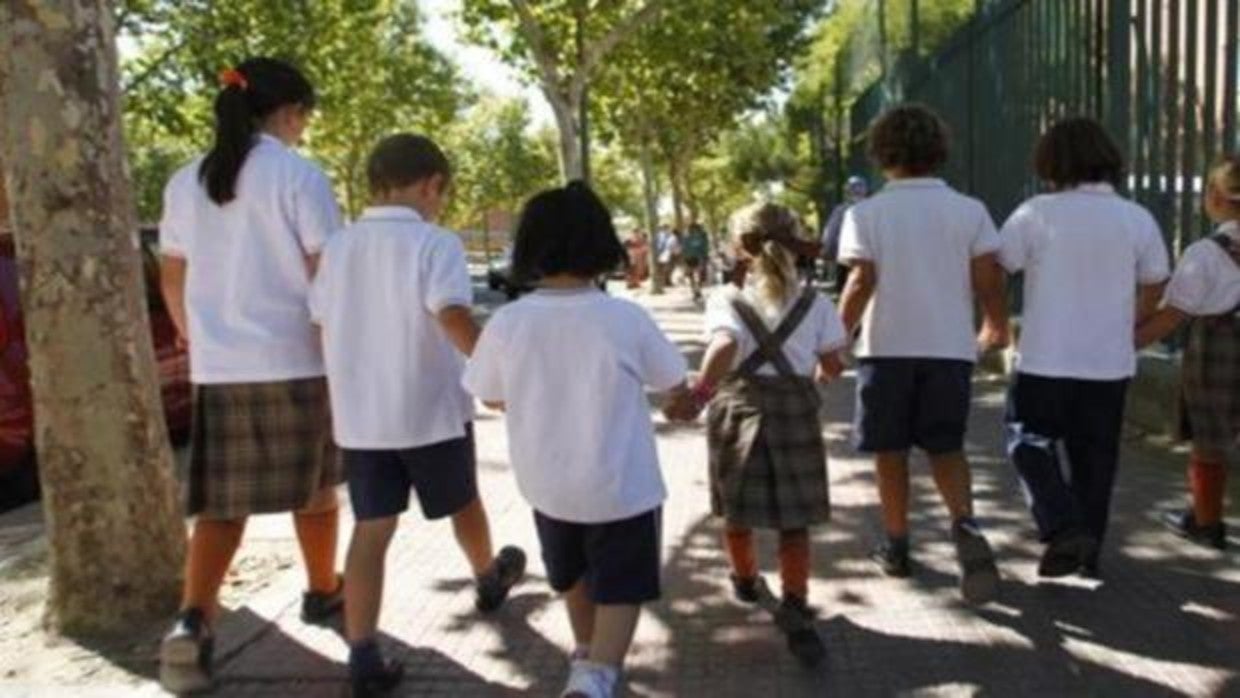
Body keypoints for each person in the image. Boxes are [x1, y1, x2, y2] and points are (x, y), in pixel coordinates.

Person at [309, 134, 527, 696]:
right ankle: (487, 577)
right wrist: (494, 372)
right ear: (431, 184)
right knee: (462, 502)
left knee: (372, 529)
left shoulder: (338, 247)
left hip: (362, 417)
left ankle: (362, 654)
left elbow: (319, 323)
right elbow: (451, 313)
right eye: (440, 192)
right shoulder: (436, 243)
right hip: (428, 409)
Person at [157, 58, 345, 693]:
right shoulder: (298, 176)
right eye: (304, 119)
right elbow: (328, 273)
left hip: (220, 367)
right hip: (297, 358)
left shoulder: (186, 182)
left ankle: (191, 620)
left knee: (220, 505)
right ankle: (323, 591)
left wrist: (193, 336)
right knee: (317, 488)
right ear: (289, 112)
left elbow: (172, 274)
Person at [463, 183, 688, 698]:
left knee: (572, 576)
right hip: (621, 485)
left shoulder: (509, 321)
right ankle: (595, 677)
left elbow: (490, 397)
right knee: (623, 586)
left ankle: (588, 659)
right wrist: (682, 402)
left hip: (547, 484)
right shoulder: (624, 318)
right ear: (601, 245)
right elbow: (673, 383)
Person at [838, 104, 1008, 604]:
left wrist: (834, 336)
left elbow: (861, 280)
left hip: (886, 348)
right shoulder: (969, 209)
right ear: (939, 150)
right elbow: (988, 278)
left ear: (881, 152)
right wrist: (995, 323)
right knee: (946, 447)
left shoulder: (864, 214)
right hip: (949, 349)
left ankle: (897, 544)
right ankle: (965, 526)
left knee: (890, 451)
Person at [999, 118, 1170, 578]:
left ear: (1051, 161)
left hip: (1045, 357)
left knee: (1026, 439)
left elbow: (1003, 263)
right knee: (1096, 457)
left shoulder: (1034, 212)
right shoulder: (1136, 218)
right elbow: (1156, 280)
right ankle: (1088, 546)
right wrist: (1132, 319)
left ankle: (1061, 524)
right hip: (1109, 362)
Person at [677, 202, 847, 665]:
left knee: (738, 510)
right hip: (795, 414)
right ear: (796, 242)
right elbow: (833, 364)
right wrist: (814, 380)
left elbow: (725, 345)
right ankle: (795, 601)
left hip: (739, 413)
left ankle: (747, 580)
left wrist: (699, 393)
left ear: (739, 248)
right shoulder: (817, 301)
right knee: (795, 520)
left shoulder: (726, 298)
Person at [1136, 155, 1240, 552]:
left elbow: (1171, 316)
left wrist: (1123, 343)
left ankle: (1206, 521)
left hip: (1218, 350)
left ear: (1215, 196)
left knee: (1209, 437)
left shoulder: (1206, 253)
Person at [821, 176, 869, 294]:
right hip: (872, 263)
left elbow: (829, 238)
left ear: (847, 192)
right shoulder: (875, 209)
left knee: (846, 293)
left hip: (846, 261)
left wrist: (828, 253)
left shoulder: (841, 210)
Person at [682, 222, 711, 302]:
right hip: (699, 258)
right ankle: (697, 290)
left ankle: (694, 290)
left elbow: (684, 249)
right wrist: (706, 256)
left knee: (691, 276)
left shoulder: (686, 237)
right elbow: (705, 247)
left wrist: (684, 259)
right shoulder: (703, 236)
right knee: (700, 275)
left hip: (689, 258)